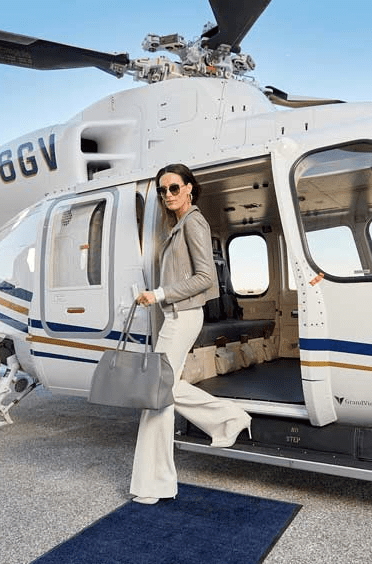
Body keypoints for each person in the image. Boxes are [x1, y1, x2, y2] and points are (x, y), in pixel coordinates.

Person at [130, 163, 251, 504]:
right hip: (177, 316)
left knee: (157, 393)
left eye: (173, 188)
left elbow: (205, 278)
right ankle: (159, 482)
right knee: (163, 393)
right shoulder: (178, 225)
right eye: (162, 190)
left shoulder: (194, 222)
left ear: (189, 189)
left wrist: (159, 294)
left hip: (183, 316)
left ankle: (156, 483)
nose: (167, 194)